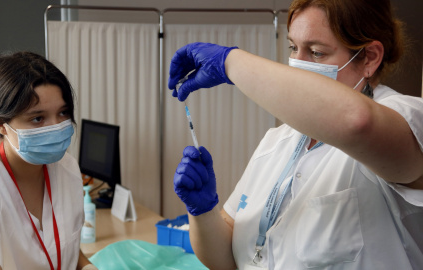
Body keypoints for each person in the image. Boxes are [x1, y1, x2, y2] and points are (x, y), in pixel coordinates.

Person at [169, 0, 423, 269]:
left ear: (370, 57)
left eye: (316, 53)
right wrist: (203, 211)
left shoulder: (407, 118)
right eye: (293, 48)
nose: (297, 65)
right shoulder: (277, 141)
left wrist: (229, 62)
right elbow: (229, 259)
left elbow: (357, 122)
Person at [0, 52, 98, 270]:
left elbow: (64, 248)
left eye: (63, 113)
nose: (55, 127)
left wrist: (87, 267)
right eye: (38, 118)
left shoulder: (66, 168)